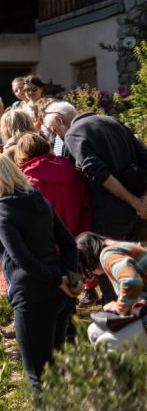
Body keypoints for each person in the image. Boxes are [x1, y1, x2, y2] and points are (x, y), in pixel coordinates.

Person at [0, 153, 81, 395]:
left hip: (32, 295)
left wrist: (58, 280)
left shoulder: (1, 209)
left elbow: (21, 258)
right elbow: (69, 243)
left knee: (38, 377)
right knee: (55, 372)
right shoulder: (38, 199)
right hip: (60, 293)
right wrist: (71, 279)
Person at [43, 101, 147, 302]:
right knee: (140, 264)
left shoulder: (73, 134)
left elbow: (99, 173)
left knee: (110, 272)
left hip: (111, 214)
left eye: (54, 131)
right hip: (139, 211)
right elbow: (144, 157)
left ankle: (119, 314)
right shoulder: (112, 121)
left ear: (59, 120)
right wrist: (143, 199)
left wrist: (137, 202)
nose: (57, 137)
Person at [13, 133, 97, 305]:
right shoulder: (70, 169)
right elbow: (86, 204)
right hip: (76, 234)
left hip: (47, 246)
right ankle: (76, 303)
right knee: (73, 280)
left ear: (21, 154)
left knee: (57, 298)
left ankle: (67, 313)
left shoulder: (25, 179)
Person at [76, 232, 147, 349]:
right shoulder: (114, 247)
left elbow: (132, 282)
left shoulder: (108, 255)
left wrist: (119, 307)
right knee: (93, 330)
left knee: (105, 344)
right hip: (142, 307)